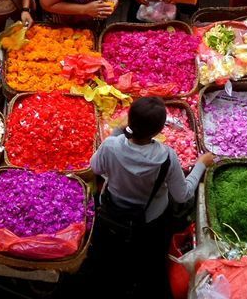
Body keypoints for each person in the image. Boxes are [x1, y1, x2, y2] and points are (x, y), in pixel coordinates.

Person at [88, 97, 216, 296]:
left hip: (112, 214)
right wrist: (201, 164)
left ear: (129, 122)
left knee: (112, 256)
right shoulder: (166, 157)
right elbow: (182, 195)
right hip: (149, 221)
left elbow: (96, 167)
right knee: (146, 258)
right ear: (158, 131)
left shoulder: (111, 146)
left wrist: (117, 133)